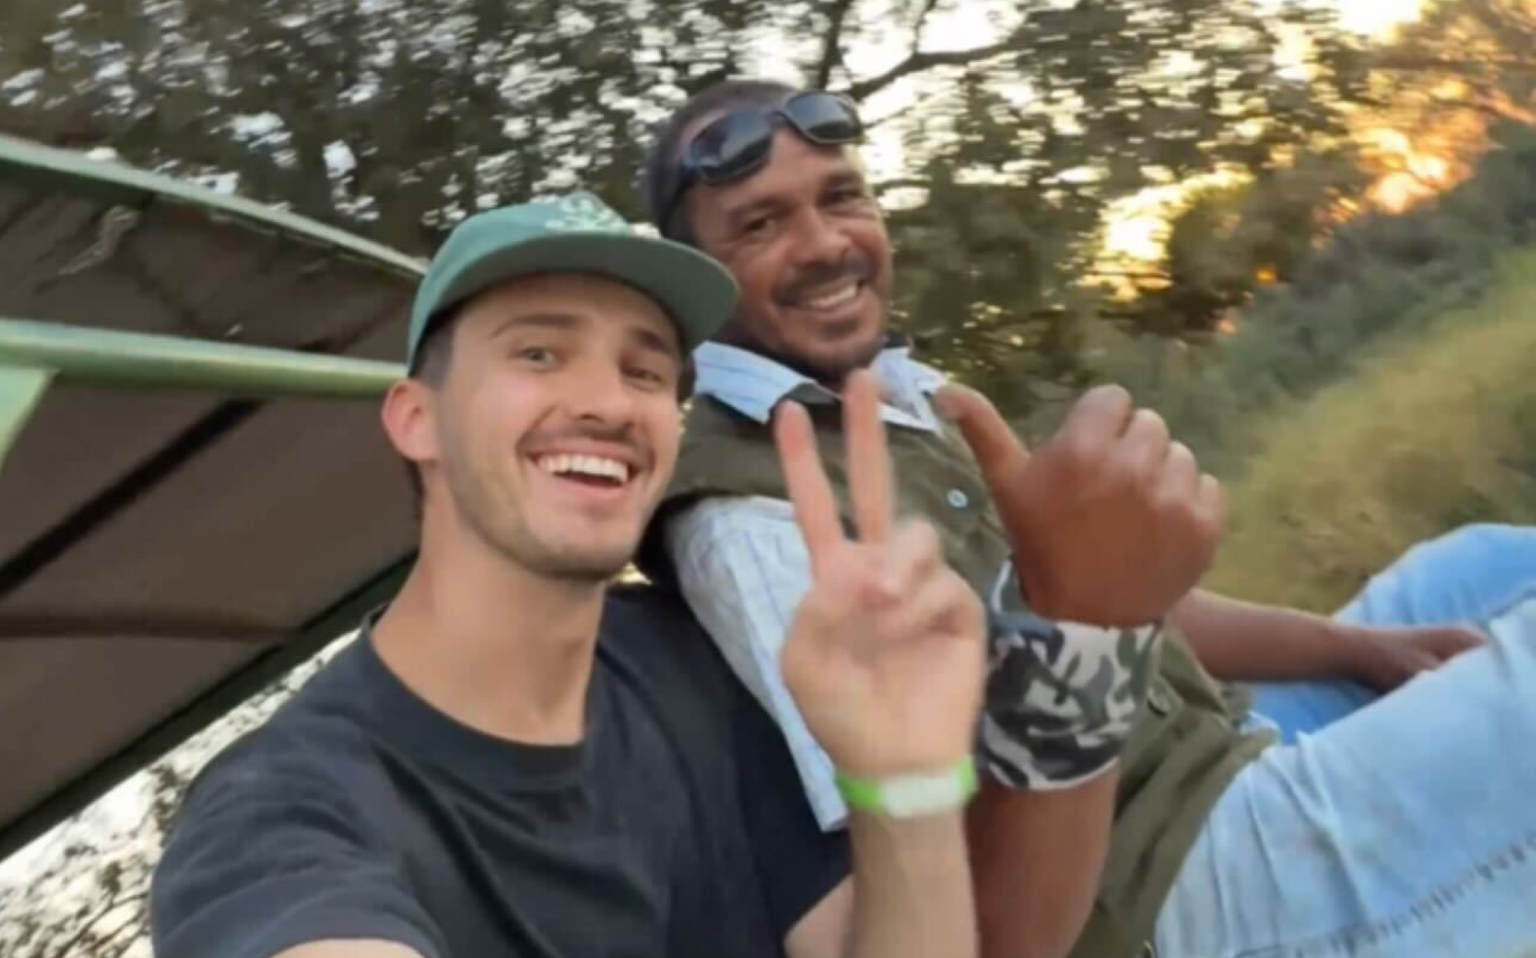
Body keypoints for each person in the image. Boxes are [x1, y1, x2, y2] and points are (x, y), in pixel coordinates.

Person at [636, 78, 1536, 958]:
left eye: (843, 196)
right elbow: (956, 903)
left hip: (1220, 748)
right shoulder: (749, 521)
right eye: (761, 223)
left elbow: (1111, 609)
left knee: (1484, 566)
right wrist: (1084, 622)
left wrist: (1360, 651)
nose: (826, 244)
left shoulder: (904, 397)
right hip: (1170, 885)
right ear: (698, 281)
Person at [149, 192, 990, 958]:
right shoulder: (281, 811)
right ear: (417, 420)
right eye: (541, 353)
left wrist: (903, 789)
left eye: (646, 371)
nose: (611, 403)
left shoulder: (696, 667)